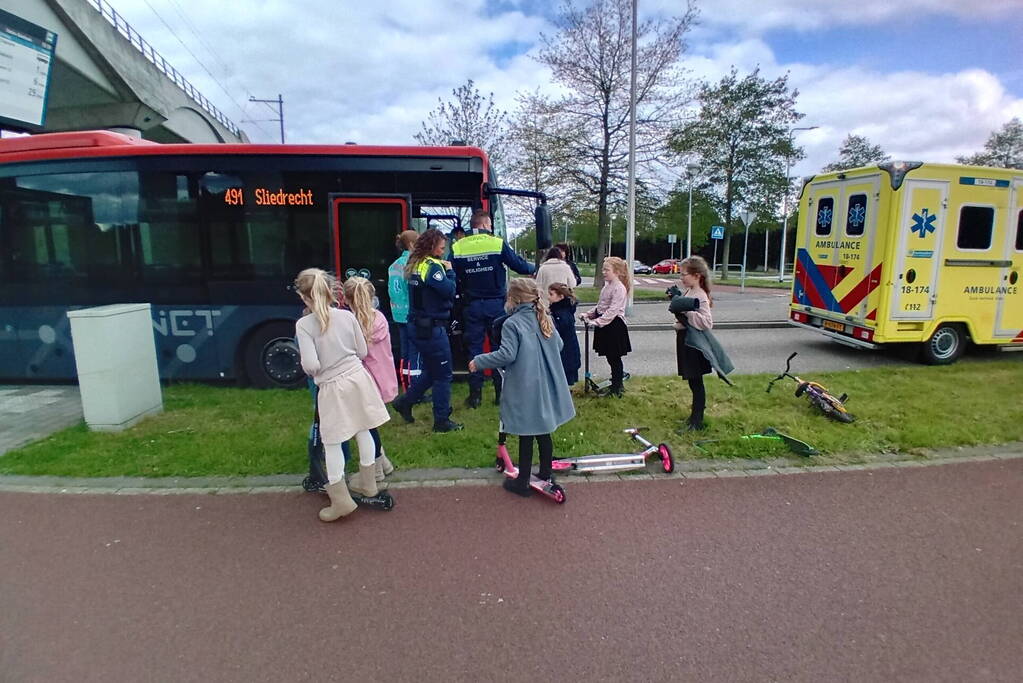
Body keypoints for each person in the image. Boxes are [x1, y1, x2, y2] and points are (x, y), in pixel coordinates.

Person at [294, 268, 390, 522]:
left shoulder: (304, 325)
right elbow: (361, 349)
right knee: (363, 429)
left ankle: (340, 500)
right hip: (358, 378)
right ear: (330, 291)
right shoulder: (347, 317)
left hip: (332, 385)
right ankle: (369, 482)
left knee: (333, 441)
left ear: (304, 298)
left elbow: (311, 364)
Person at [469, 278, 575, 497]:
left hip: (526, 385)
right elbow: (559, 344)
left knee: (526, 433)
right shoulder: (543, 317)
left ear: (513, 299)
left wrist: (479, 361)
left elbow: (507, 354)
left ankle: (523, 481)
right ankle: (545, 473)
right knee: (544, 431)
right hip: (546, 383)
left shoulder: (512, 323)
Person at [452, 209, 535, 409]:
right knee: (500, 348)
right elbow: (520, 266)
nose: (490, 228)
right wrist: (535, 268)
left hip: (471, 305)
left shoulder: (458, 247)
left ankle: (475, 397)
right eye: (489, 225)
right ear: (483, 225)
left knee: (475, 350)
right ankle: (501, 394)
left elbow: (453, 274)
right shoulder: (496, 243)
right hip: (496, 305)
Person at [390, 229, 463, 432]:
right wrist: (450, 271)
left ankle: (405, 402)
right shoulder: (433, 267)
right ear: (432, 245)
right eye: (441, 245)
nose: (444, 248)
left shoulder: (416, 263)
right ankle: (441, 420)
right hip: (431, 329)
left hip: (418, 326)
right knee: (443, 375)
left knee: (432, 371)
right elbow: (449, 290)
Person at [668, 256, 734, 432]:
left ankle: (697, 421)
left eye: (684, 275)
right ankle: (693, 418)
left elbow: (706, 323)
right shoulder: (690, 292)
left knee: (696, 383)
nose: (681, 278)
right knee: (692, 382)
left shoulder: (700, 296)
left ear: (697, 276)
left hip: (694, 345)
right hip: (686, 341)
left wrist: (687, 312)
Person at [343, 276, 398, 482]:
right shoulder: (380, 319)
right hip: (382, 377)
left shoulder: (351, 323)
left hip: (364, 380)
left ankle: (375, 468)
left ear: (346, 300)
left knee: (364, 426)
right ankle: (383, 462)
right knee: (370, 424)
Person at [578, 256, 631, 398]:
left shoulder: (619, 288)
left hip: (614, 326)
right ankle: (616, 383)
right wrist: (589, 315)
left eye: (607, 269)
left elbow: (613, 310)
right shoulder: (607, 286)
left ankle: (617, 388)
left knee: (615, 358)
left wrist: (597, 322)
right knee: (610, 357)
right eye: (603, 269)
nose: (604, 272)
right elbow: (601, 306)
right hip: (606, 324)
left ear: (617, 272)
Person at [388, 229, 422, 393]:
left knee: (405, 351)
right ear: (411, 244)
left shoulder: (393, 265)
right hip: (412, 314)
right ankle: (416, 388)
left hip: (398, 314)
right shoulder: (414, 263)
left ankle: (406, 385)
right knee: (416, 351)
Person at [548, 282, 580, 386]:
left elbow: (558, 331)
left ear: (561, 297)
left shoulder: (562, 313)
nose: (548, 297)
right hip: (567, 352)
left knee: (563, 381)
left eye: (551, 294)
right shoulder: (559, 310)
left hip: (566, 353)